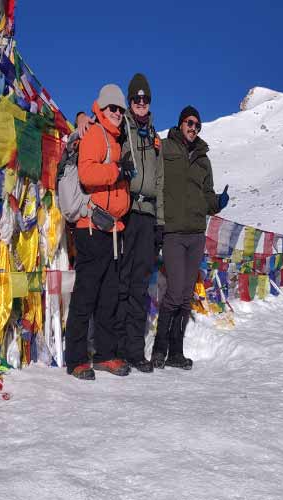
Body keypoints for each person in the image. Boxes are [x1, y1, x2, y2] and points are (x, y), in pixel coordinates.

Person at [64, 84, 134, 380]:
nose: (117, 114)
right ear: (101, 109)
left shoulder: (117, 139)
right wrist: (117, 171)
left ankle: (105, 354)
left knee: (108, 296)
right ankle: (77, 358)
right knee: (86, 294)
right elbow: (86, 173)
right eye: (112, 109)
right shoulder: (95, 134)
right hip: (91, 227)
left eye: (120, 109)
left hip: (112, 229)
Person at [153, 105, 230, 369]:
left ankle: (176, 352)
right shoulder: (165, 148)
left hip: (196, 234)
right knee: (174, 292)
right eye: (189, 123)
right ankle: (158, 350)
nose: (193, 128)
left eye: (197, 125)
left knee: (185, 296)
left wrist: (217, 202)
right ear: (180, 123)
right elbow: (154, 181)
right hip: (173, 232)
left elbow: (207, 196)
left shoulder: (203, 159)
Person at [116, 73, 164, 373]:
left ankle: (134, 350)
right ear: (129, 102)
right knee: (121, 281)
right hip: (127, 213)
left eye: (145, 100)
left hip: (147, 217)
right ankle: (117, 348)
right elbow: (96, 125)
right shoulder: (122, 128)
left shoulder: (155, 138)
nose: (141, 103)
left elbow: (159, 181)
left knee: (140, 285)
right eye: (136, 99)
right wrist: (82, 116)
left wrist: (160, 222)